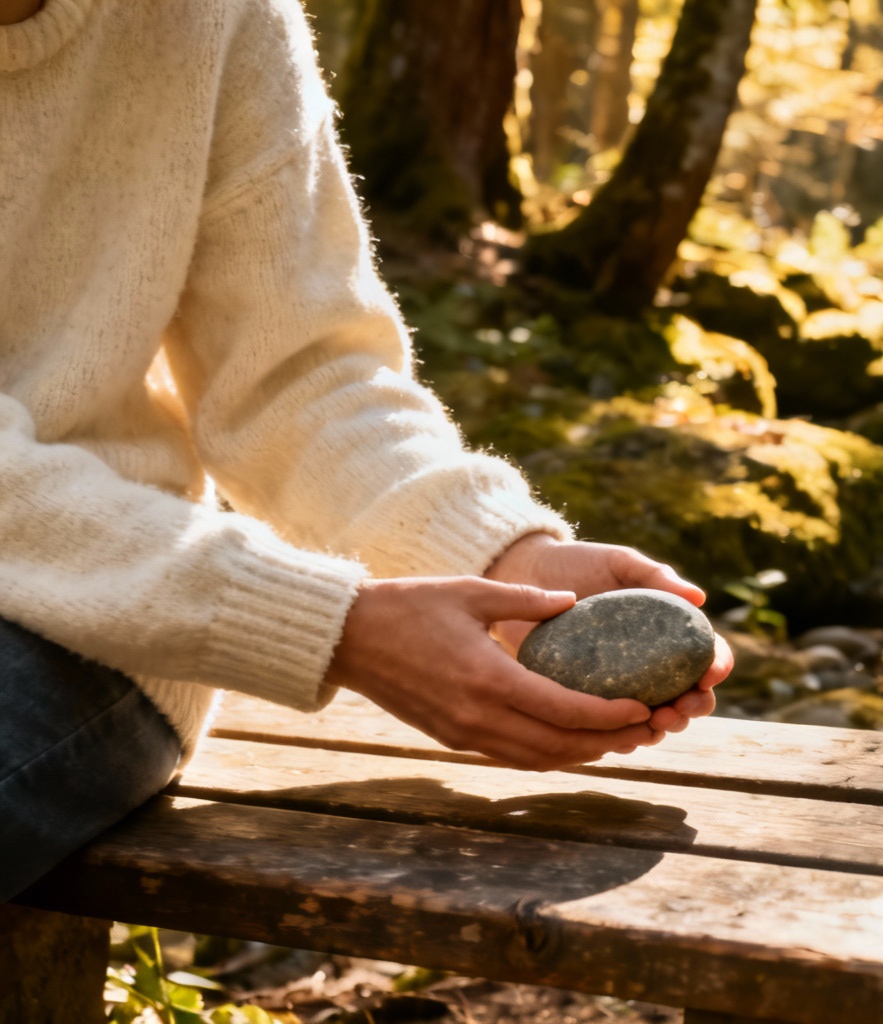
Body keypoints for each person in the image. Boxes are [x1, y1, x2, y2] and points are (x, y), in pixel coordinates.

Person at [0, 0, 731, 900]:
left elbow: (298, 377)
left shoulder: (214, 18)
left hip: (79, 628)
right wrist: (327, 624)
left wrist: (504, 559)